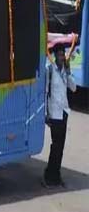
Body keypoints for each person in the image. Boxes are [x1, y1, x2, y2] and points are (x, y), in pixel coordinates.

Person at [44, 44, 75, 188]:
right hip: (54, 114)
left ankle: (56, 176)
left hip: (64, 112)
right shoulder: (50, 70)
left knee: (60, 147)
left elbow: (73, 88)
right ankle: (49, 176)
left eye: (64, 55)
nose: (63, 57)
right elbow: (45, 93)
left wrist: (68, 72)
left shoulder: (64, 71)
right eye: (60, 55)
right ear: (55, 56)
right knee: (55, 146)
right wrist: (46, 114)